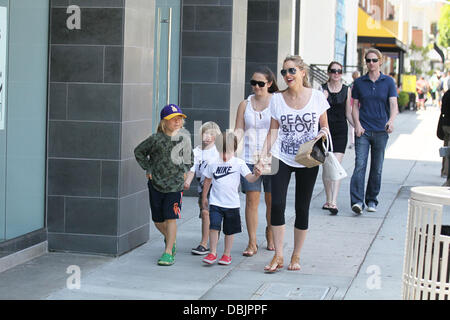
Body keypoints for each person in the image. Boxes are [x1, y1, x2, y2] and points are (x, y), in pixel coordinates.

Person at [258, 55, 330, 273]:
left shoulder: (317, 97)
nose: (287, 75)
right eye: (284, 72)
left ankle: (296, 254)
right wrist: (262, 155)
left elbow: (325, 127)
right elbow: (273, 131)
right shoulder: (277, 99)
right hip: (282, 155)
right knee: (277, 204)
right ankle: (278, 255)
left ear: (302, 72)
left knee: (302, 207)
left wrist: (322, 135)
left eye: (291, 71)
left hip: (307, 157)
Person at [134, 104, 193, 266]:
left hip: (175, 185)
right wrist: (148, 167)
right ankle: (170, 239)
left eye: (179, 118)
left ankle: (168, 252)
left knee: (171, 217)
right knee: (158, 220)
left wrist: (185, 170)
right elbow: (138, 152)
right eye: (172, 119)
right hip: (156, 184)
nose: (177, 121)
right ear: (163, 122)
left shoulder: (184, 140)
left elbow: (190, 159)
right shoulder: (155, 139)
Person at [234, 66, 279, 256]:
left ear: (269, 84)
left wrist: (265, 155)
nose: (256, 87)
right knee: (251, 201)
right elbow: (238, 130)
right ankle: (252, 242)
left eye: (260, 83)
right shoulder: (245, 104)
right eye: (253, 83)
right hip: (248, 158)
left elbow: (277, 131)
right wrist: (231, 154)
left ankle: (269, 231)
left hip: (271, 158)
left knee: (271, 201)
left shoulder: (277, 103)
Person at [201, 132, 262, 265]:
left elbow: (249, 178)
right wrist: (204, 197)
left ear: (234, 150)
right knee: (214, 227)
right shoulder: (213, 163)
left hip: (232, 204)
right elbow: (207, 180)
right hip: (215, 202)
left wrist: (256, 175)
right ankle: (212, 252)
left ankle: (226, 254)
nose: (224, 156)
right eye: (221, 152)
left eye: (227, 152)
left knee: (229, 230)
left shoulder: (239, 163)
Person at [350, 48, 398, 214]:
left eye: (374, 60)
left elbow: (393, 105)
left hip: (380, 131)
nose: (371, 63)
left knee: (376, 168)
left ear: (380, 61)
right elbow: (354, 106)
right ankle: (357, 201)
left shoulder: (388, 82)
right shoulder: (359, 82)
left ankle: (371, 200)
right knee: (359, 166)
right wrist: (357, 124)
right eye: (368, 60)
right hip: (363, 130)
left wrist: (391, 121)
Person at [320, 61, 354, 215]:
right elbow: (317, 111)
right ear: (328, 72)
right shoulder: (322, 89)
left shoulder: (347, 90)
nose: (336, 74)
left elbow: (348, 112)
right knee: (327, 166)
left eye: (339, 71)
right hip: (325, 131)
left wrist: (356, 126)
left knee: (336, 166)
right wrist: (323, 98)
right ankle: (328, 198)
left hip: (340, 131)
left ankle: (333, 201)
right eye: (333, 71)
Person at [184, 121, 221, 255]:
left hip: (216, 186)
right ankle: (207, 241)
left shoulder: (217, 151)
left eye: (211, 134)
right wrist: (187, 181)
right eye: (205, 133)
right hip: (202, 187)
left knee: (207, 213)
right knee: (205, 214)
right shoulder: (196, 152)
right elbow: (192, 170)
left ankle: (204, 243)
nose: (208, 136)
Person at [440, 89, 450, 186]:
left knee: (446, 149)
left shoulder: (446, 94)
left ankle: (444, 170)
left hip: (445, 125)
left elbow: (442, 109)